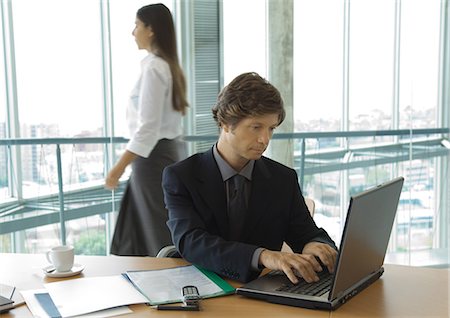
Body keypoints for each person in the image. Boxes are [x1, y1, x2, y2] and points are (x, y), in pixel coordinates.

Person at [162, 72, 337, 284]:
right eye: (256, 127)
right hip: (203, 289)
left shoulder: (282, 179)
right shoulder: (182, 177)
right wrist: (264, 255)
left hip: (262, 293)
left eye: (271, 128)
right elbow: (191, 242)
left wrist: (313, 245)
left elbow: (307, 233)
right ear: (226, 123)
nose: (265, 139)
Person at [105, 3, 188, 257]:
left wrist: (118, 168)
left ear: (150, 29)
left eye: (137, 25)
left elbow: (148, 129)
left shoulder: (154, 67)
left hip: (151, 159)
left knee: (156, 235)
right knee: (143, 229)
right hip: (163, 155)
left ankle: (168, 289)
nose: (133, 32)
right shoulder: (166, 65)